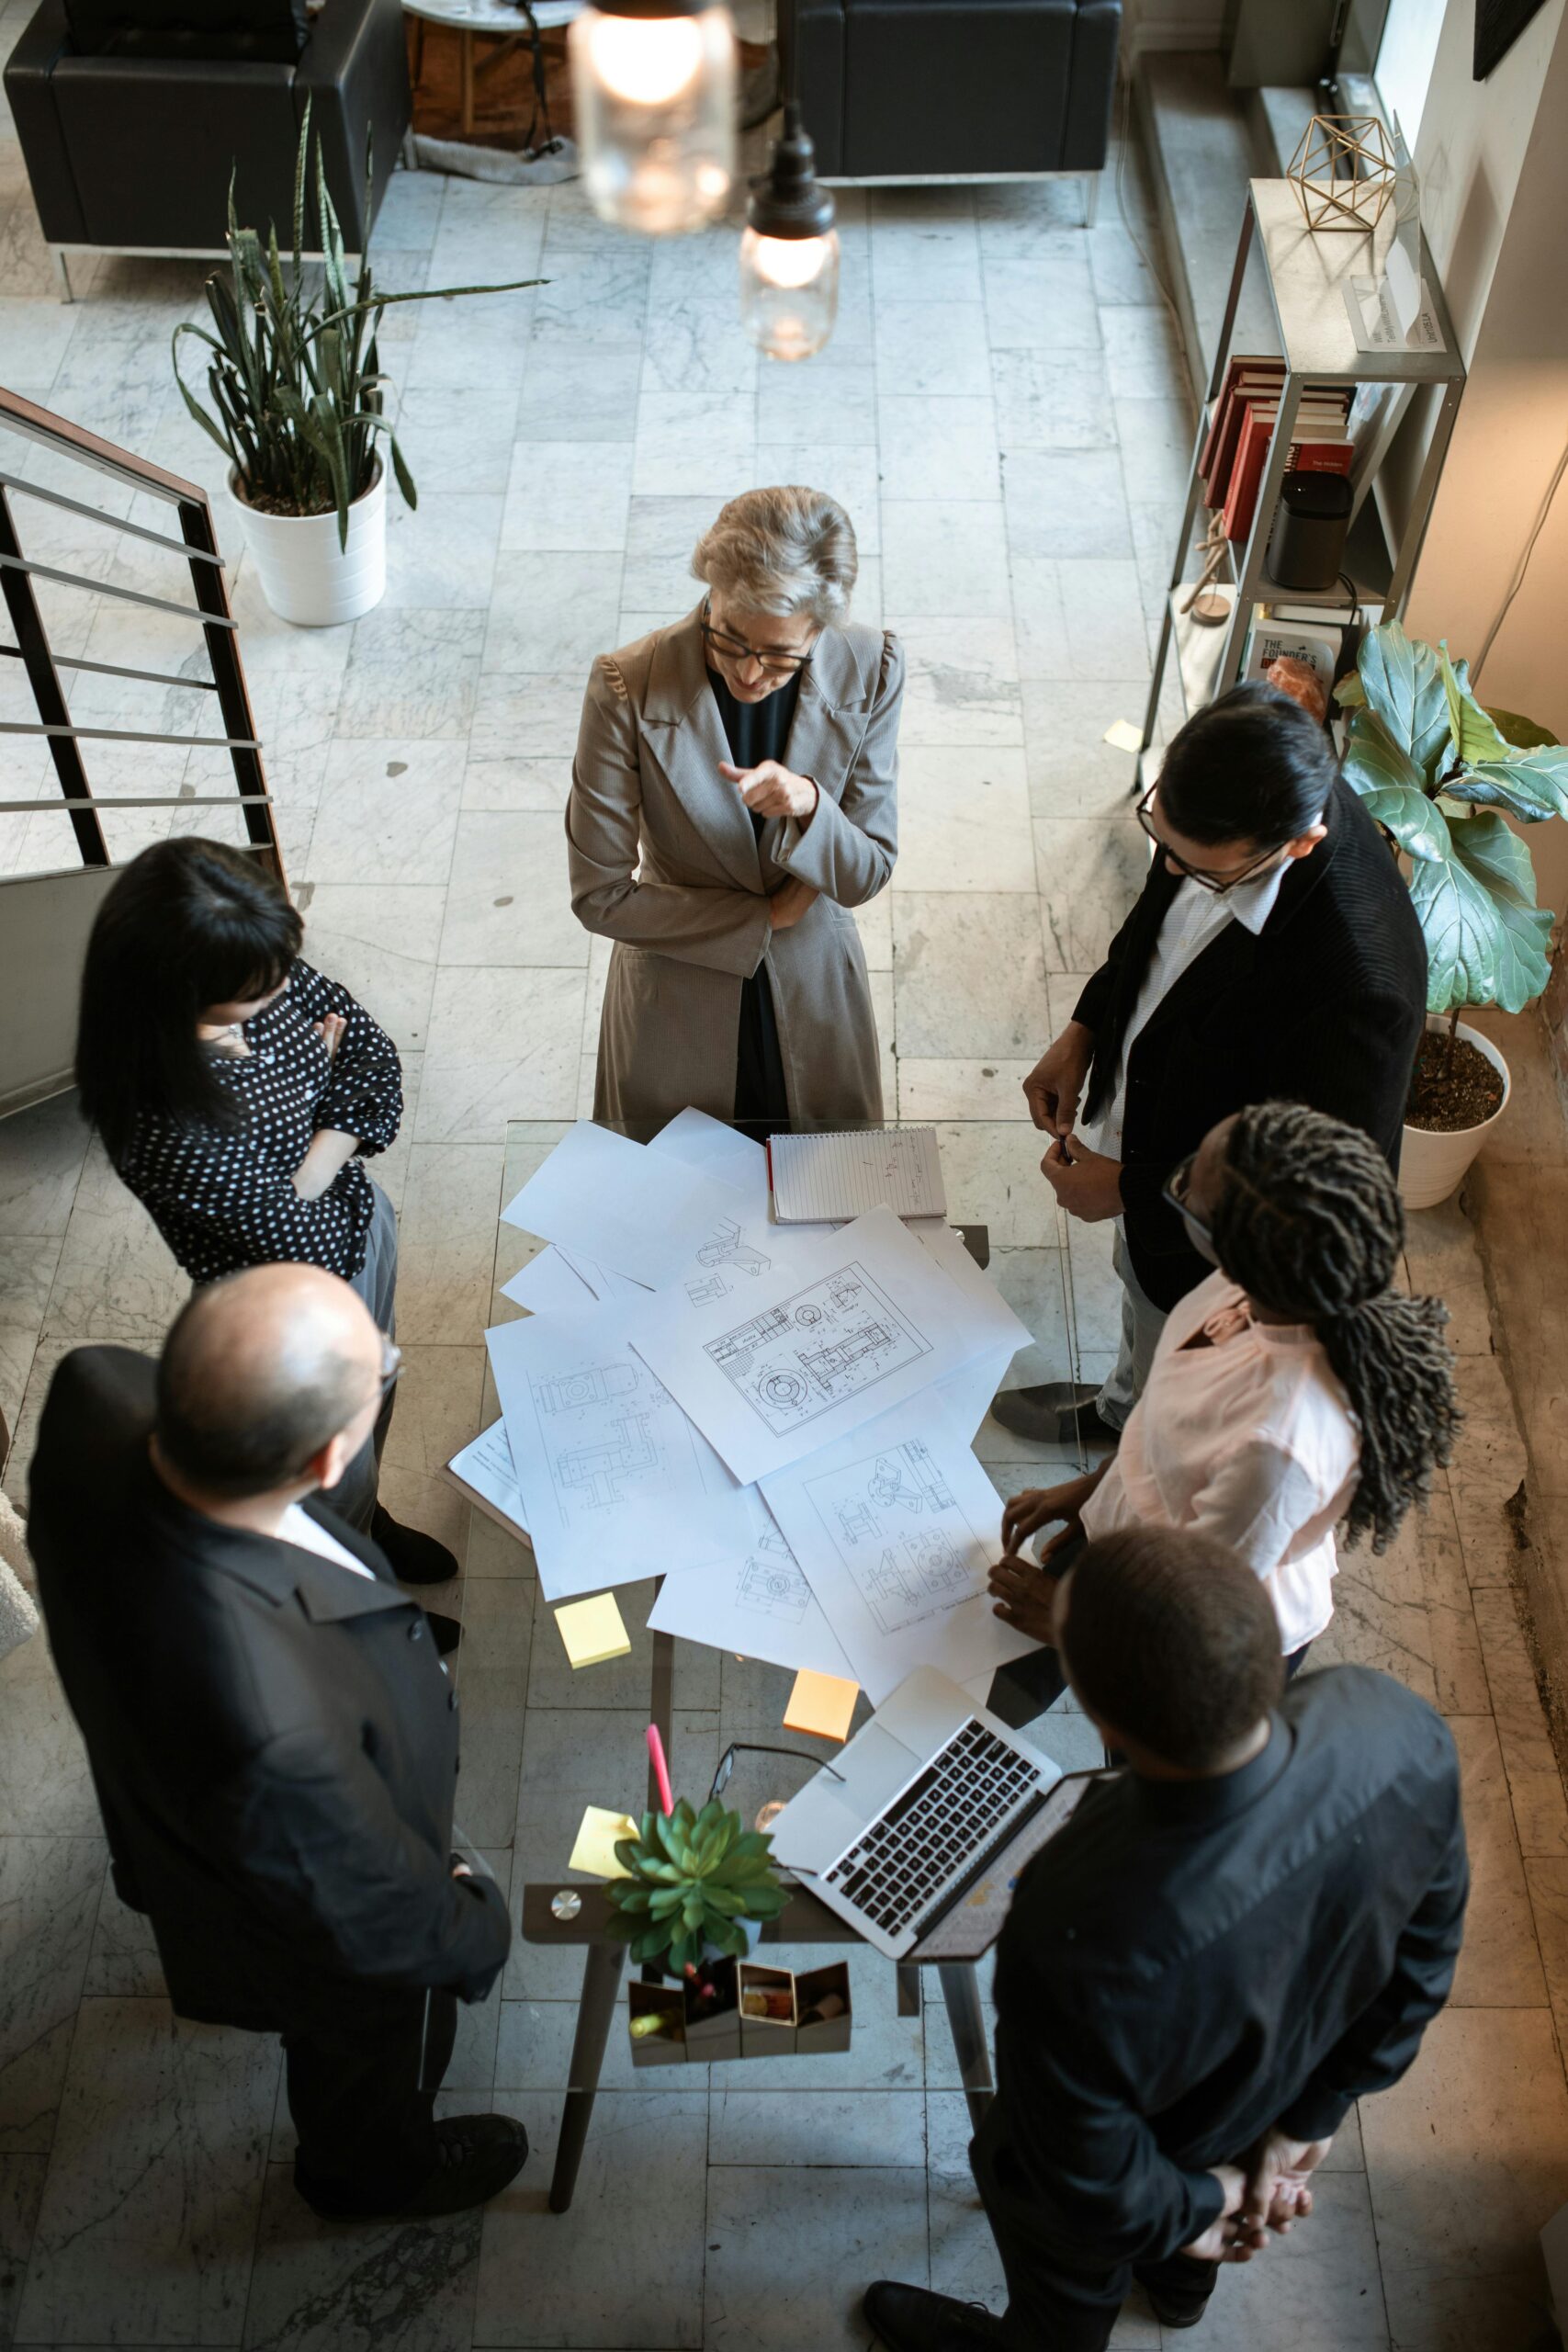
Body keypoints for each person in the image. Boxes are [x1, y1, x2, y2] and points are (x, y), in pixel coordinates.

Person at [864, 1523, 1469, 2352]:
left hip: (1149, 2165)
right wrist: (1309, 2118)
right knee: (1181, 2249)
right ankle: (1180, 2291)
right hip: (1280, 2088)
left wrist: (1203, 2205)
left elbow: (1087, 2171)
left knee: (1062, 2301)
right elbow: (1424, 1959)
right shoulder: (1390, 1724)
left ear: (1096, 1709)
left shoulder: (1075, 1915)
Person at [25, 1266, 524, 2222]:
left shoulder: (95, 1387)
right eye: (380, 1369)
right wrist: (473, 1923)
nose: (389, 1363)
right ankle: (372, 2173)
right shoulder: (272, 1720)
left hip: (157, 1770)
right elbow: (371, 1915)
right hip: (306, 1908)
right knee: (364, 2041)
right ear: (332, 1458)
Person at [996, 681, 1427, 1451]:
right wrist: (1087, 1025)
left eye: (1197, 869)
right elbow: (1159, 928)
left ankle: (1131, 1455)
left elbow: (1303, 1198)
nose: (1166, 871)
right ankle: (1123, 1402)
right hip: (1158, 1117)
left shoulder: (1360, 991)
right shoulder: (1232, 806)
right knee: (1139, 1299)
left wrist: (1127, 1189)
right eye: (1161, 839)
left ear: (1296, 844)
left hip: (1208, 1233)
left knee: (1179, 1365)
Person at [74, 835, 454, 1595]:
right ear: (180, 994)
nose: (284, 989)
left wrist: (306, 1160)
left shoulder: (251, 965)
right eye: (258, 987)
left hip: (355, 1226)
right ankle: (351, 1581)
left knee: (373, 1397)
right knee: (320, 1453)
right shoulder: (162, 1121)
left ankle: (367, 1521)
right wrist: (325, 1129)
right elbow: (295, 1242)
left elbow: (374, 1057)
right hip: (286, 1305)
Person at [990, 1102, 1459, 1707]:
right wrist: (1090, 1495)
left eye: (1184, 1189)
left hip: (1195, 1645)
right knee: (1008, 1684)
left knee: (1133, 1752)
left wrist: (1065, 1618)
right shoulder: (1255, 1285)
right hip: (1142, 1544)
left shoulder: (1278, 1446)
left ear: (1230, 1244)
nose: (1176, 1181)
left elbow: (1193, 1615)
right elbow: (1177, 1422)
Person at [567, 484, 903, 1140]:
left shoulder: (872, 666)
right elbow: (597, 896)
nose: (749, 675)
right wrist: (764, 916)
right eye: (728, 639)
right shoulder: (625, 684)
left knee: (826, 1203)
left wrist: (811, 806)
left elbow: (867, 872)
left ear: (821, 629)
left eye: (779, 654)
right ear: (709, 594)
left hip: (812, 992)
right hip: (675, 993)